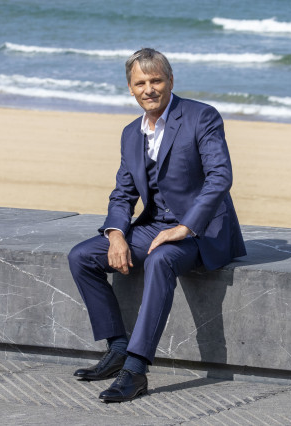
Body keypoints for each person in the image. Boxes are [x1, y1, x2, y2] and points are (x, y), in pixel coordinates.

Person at [68, 48, 246, 403]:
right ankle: (118, 347)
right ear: (131, 89)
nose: (149, 89)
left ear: (170, 81)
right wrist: (116, 234)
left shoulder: (201, 117)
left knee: (161, 259)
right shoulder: (131, 133)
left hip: (203, 231)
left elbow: (219, 177)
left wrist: (185, 227)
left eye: (156, 80)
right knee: (82, 256)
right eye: (140, 83)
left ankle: (135, 371)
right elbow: (123, 193)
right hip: (153, 226)